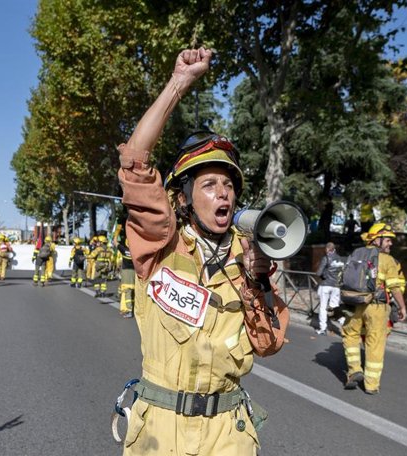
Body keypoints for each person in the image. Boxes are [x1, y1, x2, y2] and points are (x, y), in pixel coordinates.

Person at [116, 48, 289, 455]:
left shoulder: (250, 260)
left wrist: (257, 281)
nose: (223, 192)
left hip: (228, 432)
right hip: (159, 430)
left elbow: (268, 344)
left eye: (228, 185)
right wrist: (179, 82)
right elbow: (135, 165)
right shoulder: (162, 244)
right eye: (209, 184)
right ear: (184, 198)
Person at [342, 223, 407, 395]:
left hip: (354, 304)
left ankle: (354, 370)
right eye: (387, 240)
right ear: (376, 239)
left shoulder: (356, 254)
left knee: (350, 335)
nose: (390, 244)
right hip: (377, 307)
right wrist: (402, 306)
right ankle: (371, 385)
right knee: (375, 343)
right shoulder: (387, 260)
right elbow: (394, 287)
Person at [315, 242, 345, 335]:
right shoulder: (341, 259)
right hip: (336, 286)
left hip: (326, 285)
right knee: (335, 307)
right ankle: (345, 326)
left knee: (323, 307)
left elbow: (318, 273)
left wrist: (324, 275)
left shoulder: (326, 258)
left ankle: (323, 329)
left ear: (327, 249)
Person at [116, 237, 134, 318]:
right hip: (134, 273)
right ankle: (131, 309)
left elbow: (115, 242)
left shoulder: (124, 250)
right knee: (133, 292)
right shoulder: (136, 251)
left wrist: (117, 231)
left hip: (126, 273)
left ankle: (129, 311)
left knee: (127, 292)